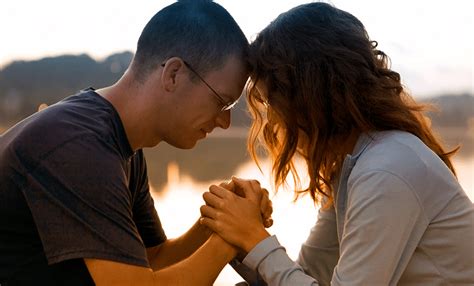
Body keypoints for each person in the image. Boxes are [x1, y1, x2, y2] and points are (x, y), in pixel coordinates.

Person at [0, 1, 273, 285]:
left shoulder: (120, 144)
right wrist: (233, 236)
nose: (225, 122)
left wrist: (216, 222)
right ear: (174, 74)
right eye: (221, 102)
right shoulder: (79, 147)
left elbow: (151, 258)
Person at [200, 2, 474, 285]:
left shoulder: (387, 169)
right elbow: (309, 273)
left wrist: (254, 238)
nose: (271, 121)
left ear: (307, 97)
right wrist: (235, 232)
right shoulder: (353, 166)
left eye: (271, 102)